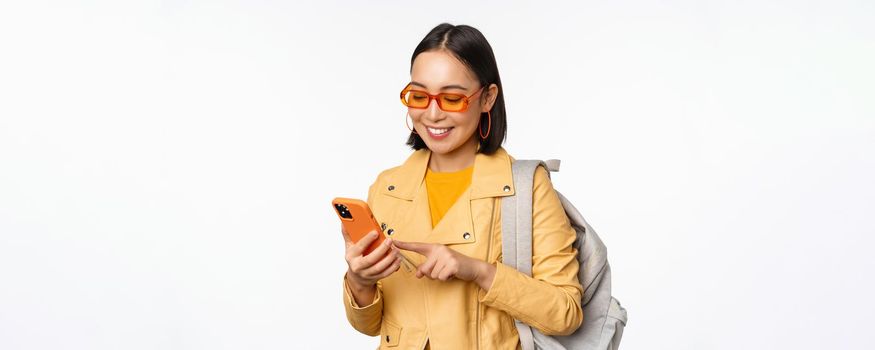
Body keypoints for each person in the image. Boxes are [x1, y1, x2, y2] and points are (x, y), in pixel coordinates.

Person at [340, 23, 583, 349]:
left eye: (452, 97)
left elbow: (566, 314)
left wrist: (479, 271)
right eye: (420, 95)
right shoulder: (387, 188)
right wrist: (359, 281)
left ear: (487, 98)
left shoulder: (526, 186)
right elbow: (371, 325)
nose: (433, 114)